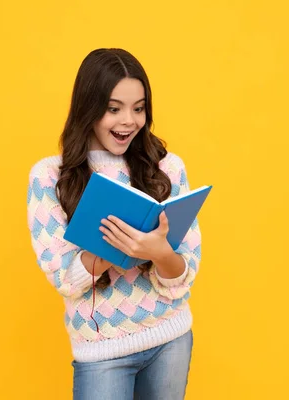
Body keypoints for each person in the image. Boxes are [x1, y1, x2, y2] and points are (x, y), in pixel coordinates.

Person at [26, 48, 202, 400]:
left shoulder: (167, 168)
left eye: (139, 108)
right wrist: (119, 247)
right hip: (101, 352)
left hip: (171, 339)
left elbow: (187, 270)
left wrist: (159, 253)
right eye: (113, 108)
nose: (129, 121)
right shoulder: (50, 177)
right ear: (89, 108)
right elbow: (64, 277)